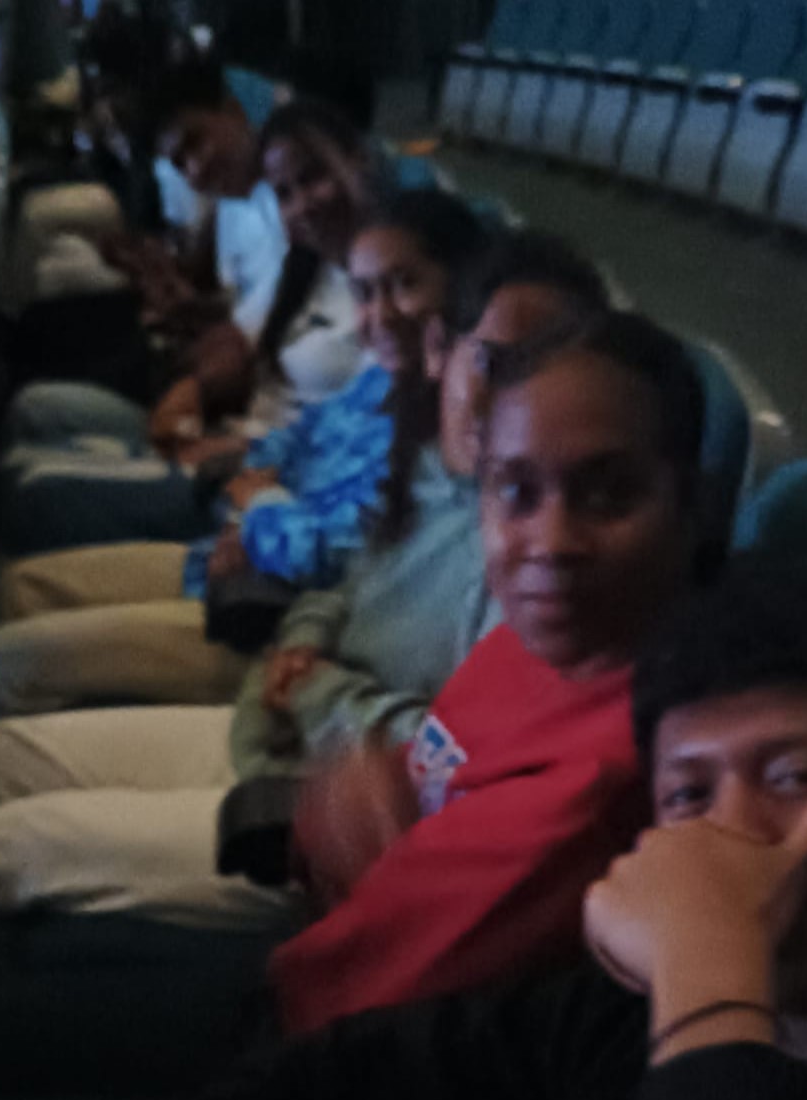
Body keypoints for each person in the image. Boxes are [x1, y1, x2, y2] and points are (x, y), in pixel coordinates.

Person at [194, 561, 807, 1100]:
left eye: (795, 777)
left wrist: (710, 979)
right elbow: (327, 1077)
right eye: (689, 793)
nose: (727, 834)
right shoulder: (621, 1009)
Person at [0, 231, 611, 946]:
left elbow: (453, 760)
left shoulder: (534, 560)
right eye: (500, 364)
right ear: (441, 351)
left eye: (553, 374)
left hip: (326, 811)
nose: (525, 400)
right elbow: (344, 580)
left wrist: (317, 687)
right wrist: (304, 642)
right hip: (274, 722)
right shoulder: (436, 465)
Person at [268, 308, 714, 1034]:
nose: (551, 541)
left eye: (608, 494)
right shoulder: (538, 638)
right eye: (516, 490)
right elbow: (422, 782)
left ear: (689, 504)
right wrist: (368, 798)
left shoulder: (595, 785)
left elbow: (339, 1008)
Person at [0, 190, 490, 718]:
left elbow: (328, 558)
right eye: (364, 292)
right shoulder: (380, 382)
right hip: (232, 558)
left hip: (271, 625)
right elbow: (298, 438)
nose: (380, 314)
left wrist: (260, 508)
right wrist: (252, 501)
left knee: (6, 661)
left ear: (462, 287)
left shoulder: (453, 436)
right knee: (23, 587)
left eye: (404, 285)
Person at [0, 99, 374, 555]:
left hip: (261, 478)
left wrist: (226, 443)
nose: (303, 206)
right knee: (34, 421)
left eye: (314, 178)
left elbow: (344, 445)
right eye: (286, 194)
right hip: (235, 440)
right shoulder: (306, 266)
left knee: (35, 493)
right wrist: (192, 398)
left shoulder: (382, 298)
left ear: (358, 160)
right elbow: (237, 331)